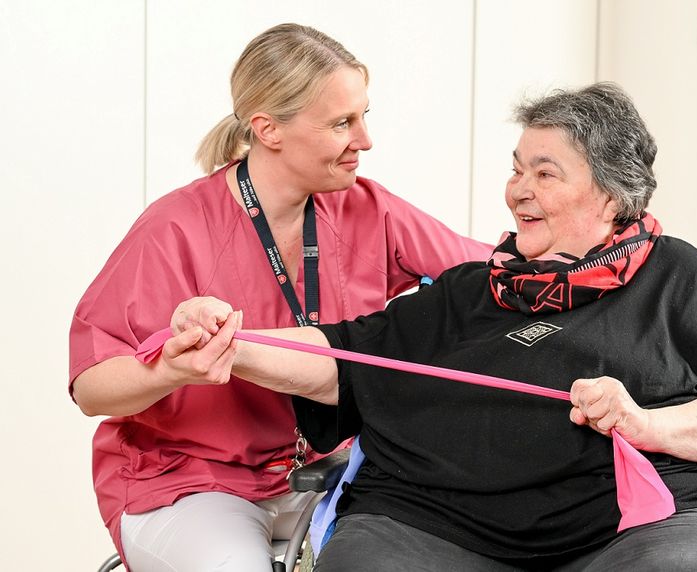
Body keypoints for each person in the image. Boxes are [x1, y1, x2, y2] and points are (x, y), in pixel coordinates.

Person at [166, 82, 697, 571]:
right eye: (517, 169)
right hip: (442, 529)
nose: (517, 189)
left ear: (611, 197)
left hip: (646, 529)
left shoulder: (674, 274)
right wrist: (231, 341)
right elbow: (342, 358)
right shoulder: (468, 290)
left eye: (544, 174)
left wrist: (648, 424)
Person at [68, 23, 493, 571]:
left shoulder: (369, 209)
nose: (365, 140)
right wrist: (171, 370)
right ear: (268, 129)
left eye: (363, 116)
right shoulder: (175, 228)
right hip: (190, 481)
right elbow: (92, 388)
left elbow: (494, 274)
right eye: (341, 123)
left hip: (331, 473)